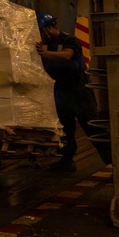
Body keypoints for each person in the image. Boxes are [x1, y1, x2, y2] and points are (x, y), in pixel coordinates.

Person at [36, 12, 112, 171]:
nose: (41, 37)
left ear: (49, 27)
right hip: (61, 92)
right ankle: (66, 161)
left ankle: (113, 164)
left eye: (41, 32)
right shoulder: (47, 44)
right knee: (65, 130)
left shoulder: (70, 40)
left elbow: (67, 56)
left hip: (79, 92)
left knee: (92, 129)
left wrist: (44, 53)